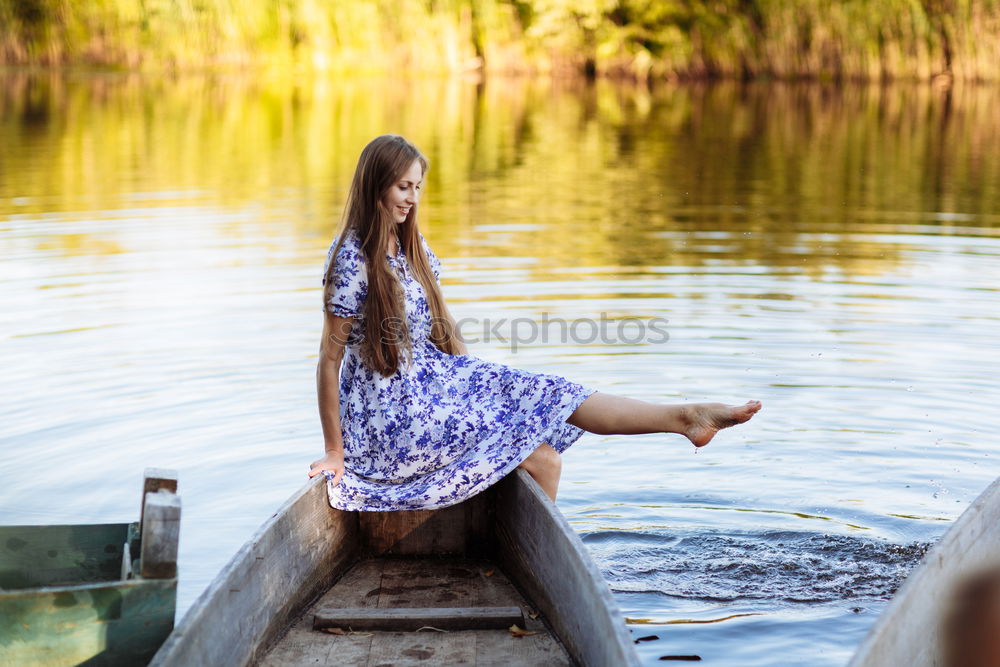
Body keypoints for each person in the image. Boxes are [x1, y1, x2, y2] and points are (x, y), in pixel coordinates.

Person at [308, 134, 761, 509]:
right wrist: (335, 452)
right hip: (389, 416)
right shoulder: (352, 259)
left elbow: (441, 328)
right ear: (375, 186)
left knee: (548, 392)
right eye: (403, 187)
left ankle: (684, 417)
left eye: (417, 187)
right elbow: (329, 361)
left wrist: (476, 379)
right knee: (543, 458)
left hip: (434, 384)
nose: (412, 198)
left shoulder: (410, 246)